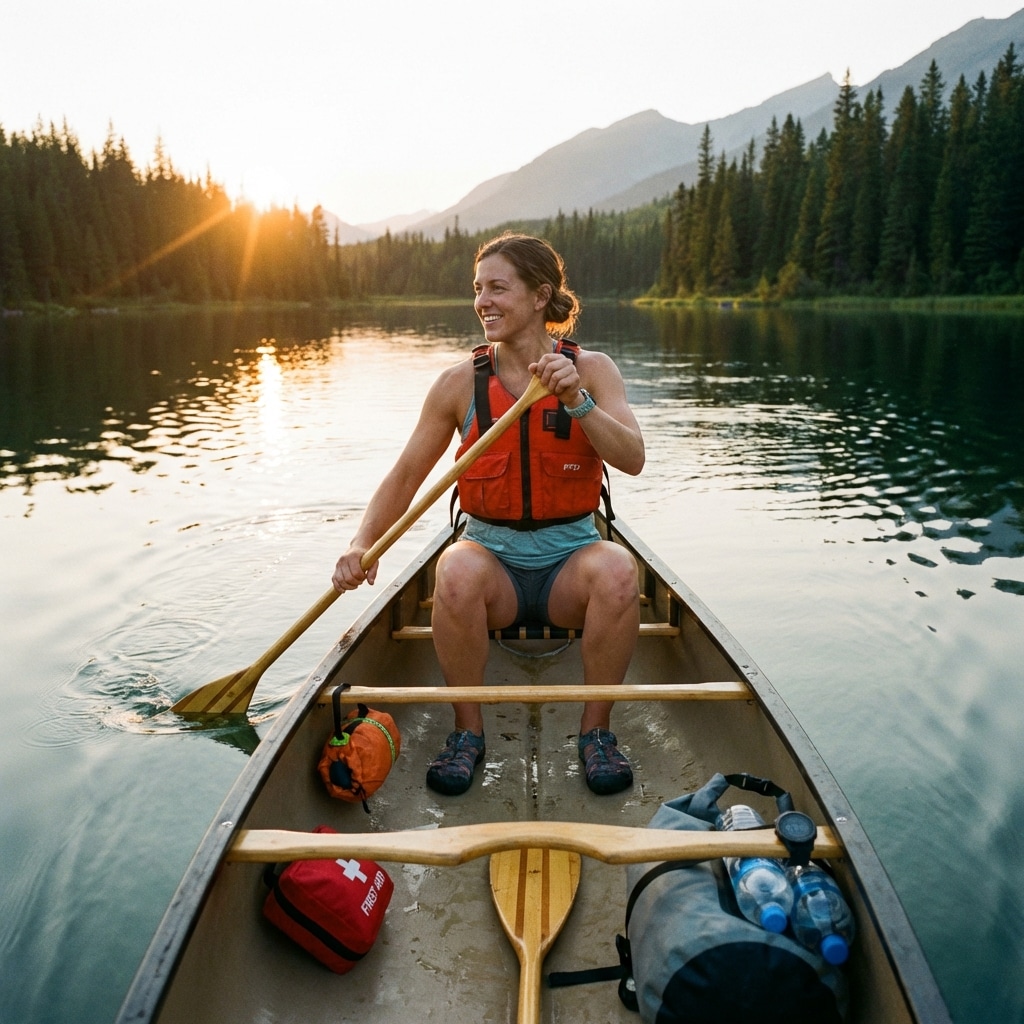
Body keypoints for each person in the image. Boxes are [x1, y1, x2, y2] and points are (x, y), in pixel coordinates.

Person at [332, 232, 645, 796]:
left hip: (570, 560)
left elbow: (633, 459)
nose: (483, 302)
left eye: (498, 288)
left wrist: (579, 403)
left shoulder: (592, 370)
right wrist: (361, 542)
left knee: (621, 570)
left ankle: (595, 733)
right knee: (452, 569)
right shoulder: (459, 383)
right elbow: (405, 475)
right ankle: (467, 734)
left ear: (539, 295)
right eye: (478, 289)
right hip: (491, 563)